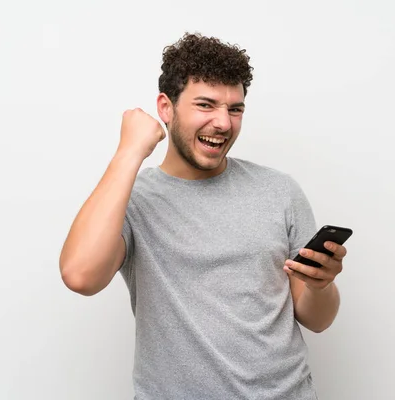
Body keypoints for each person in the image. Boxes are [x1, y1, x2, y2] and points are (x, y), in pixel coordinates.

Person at [59, 32, 348, 400]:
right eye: (206, 105)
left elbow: (318, 320)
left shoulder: (279, 191)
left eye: (235, 109)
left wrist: (321, 285)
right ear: (166, 108)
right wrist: (130, 151)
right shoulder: (130, 200)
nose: (223, 123)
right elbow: (80, 275)